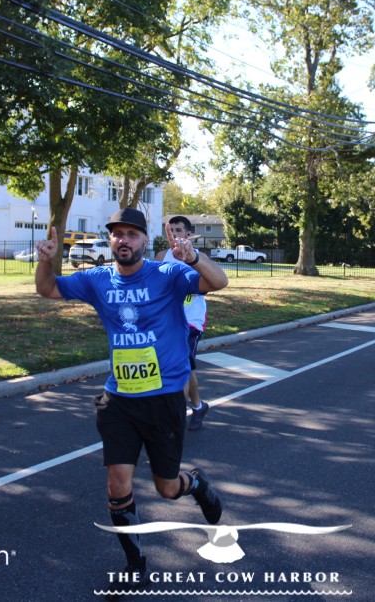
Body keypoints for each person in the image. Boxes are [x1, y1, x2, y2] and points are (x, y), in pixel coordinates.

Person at [35, 207, 229, 582]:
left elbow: (218, 282)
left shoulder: (168, 274)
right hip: (119, 400)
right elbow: (47, 289)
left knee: (167, 488)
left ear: (144, 240)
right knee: (117, 484)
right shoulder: (97, 279)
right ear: (111, 240)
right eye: (117, 234)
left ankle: (195, 483)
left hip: (164, 398)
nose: (124, 240)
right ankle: (135, 564)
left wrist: (194, 257)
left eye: (132, 234)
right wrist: (45, 261)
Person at [155, 215, 210, 430]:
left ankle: (173, 423)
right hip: (167, 321)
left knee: (181, 368)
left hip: (191, 321)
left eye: (179, 230)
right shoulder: (161, 256)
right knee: (185, 368)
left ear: (188, 234)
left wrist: (190, 261)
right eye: (171, 230)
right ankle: (198, 406)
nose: (175, 234)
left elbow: (207, 284)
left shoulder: (198, 258)